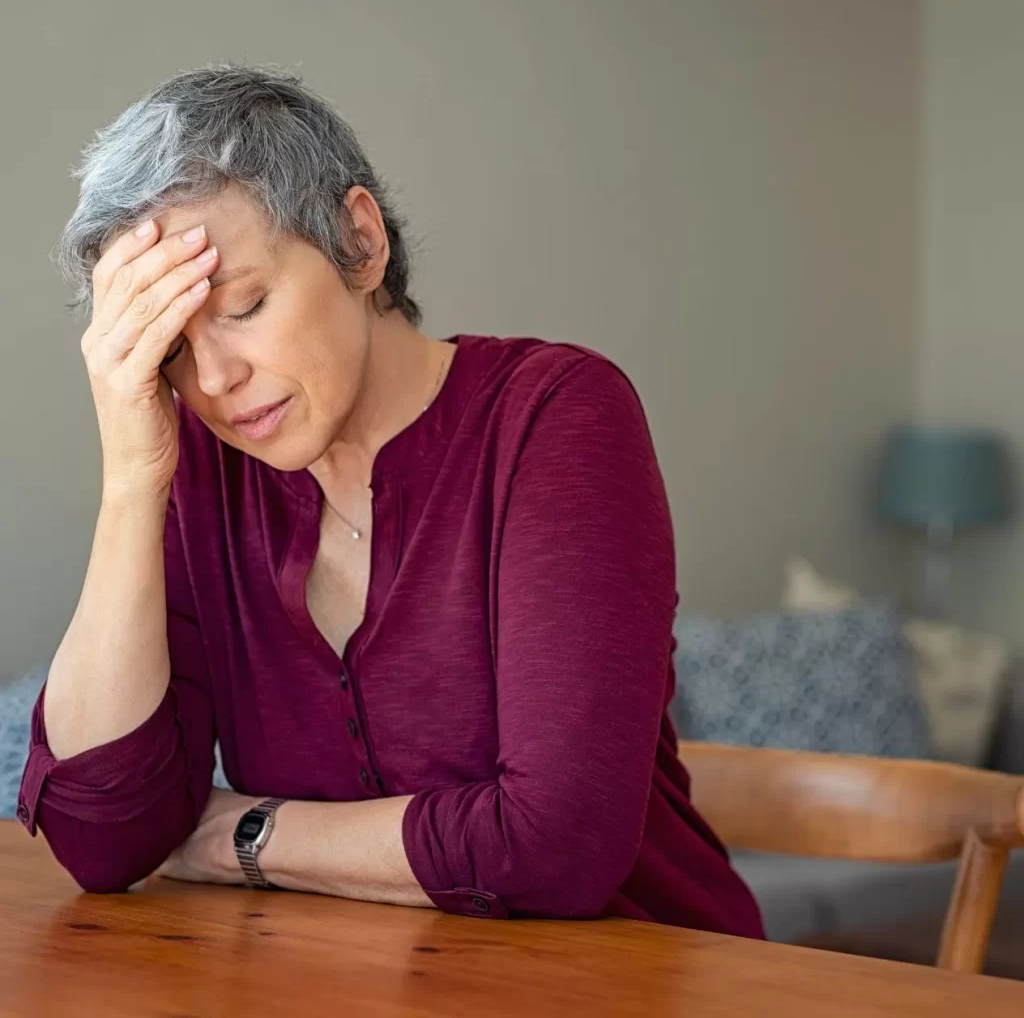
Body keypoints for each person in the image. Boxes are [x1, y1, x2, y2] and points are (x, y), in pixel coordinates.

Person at [18, 63, 763, 936]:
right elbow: (103, 844)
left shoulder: (556, 416)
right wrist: (131, 484)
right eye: (169, 352)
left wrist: (235, 834)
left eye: (245, 306)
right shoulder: (200, 471)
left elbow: (558, 844)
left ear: (359, 242)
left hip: (640, 977)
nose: (215, 380)